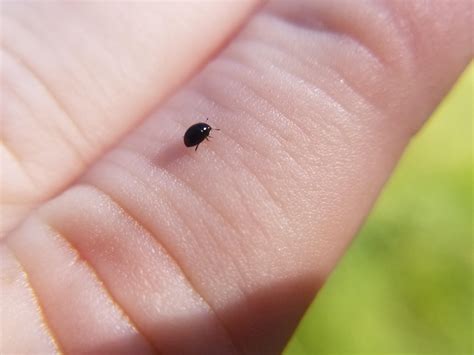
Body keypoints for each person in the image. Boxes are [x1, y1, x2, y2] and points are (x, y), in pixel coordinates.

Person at [1, 0, 471, 353]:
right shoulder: (200, 133)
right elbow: (197, 135)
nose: (204, 133)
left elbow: (197, 135)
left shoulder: (200, 132)